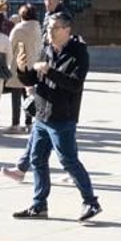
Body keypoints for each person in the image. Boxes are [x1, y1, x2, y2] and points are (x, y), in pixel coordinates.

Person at [10, 12, 101, 222]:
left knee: (68, 160)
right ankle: (39, 205)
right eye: (48, 28)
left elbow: (75, 84)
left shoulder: (78, 53)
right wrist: (22, 68)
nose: (49, 32)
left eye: (54, 28)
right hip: (42, 115)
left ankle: (91, 202)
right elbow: (33, 78)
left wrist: (49, 71)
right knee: (37, 159)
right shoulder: (47, 49)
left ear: (67, 30)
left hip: (63, 116)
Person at [5, 4, 40, 134]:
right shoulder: (37, 28)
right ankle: (29, 123)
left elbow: (10, 47)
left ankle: (15, 124)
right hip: (33, 64)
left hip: (19, 64)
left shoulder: (18, 29)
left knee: (16, 95)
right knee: (29, 95)